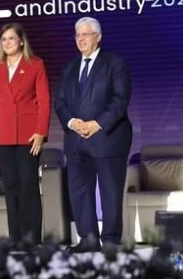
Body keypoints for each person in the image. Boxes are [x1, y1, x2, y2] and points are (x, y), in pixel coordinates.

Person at [54, 17, 132, 250]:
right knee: (79, 191)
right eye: (77, 35)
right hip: (76, 139)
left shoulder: (115, 63)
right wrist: (71, 122)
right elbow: (60, 101)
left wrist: (97, 124)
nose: (81, 39)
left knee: (110, 191)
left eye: (86, 35)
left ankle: (110, 240)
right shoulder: (69, 67)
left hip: (108, 137)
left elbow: (120, 100)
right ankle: (88, 239)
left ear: (98, 37)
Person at [0, 23, 50, 246]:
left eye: (11, 38)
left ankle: (31, 238)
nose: (7, 43)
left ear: (21, 41)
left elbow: (44, 101)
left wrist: (41, 131)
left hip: (28, 135)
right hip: (3, 133)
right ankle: (15, 237)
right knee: (10, 184)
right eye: (4, 39)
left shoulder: (36, 64)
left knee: (28, 184)